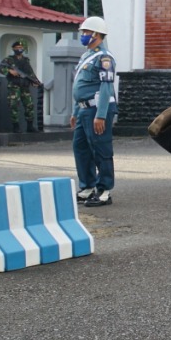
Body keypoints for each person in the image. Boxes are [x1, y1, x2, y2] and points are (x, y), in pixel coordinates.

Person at [71, 17, 116, 207]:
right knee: (81, 148)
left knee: (100, 148)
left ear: (96, 34)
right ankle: (87, 187)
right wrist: (75, 111)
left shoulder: (104, 58)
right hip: (84, 109)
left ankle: (104, 190)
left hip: (97, 109)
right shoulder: (86, 56)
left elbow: (106, 87)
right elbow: (80, 86)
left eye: (86, 32)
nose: (83, 35)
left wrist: (101, 115)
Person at [0, 39, 41, 133]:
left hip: (25, 86)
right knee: (14, 106)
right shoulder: (9, 60)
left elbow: (30, 73)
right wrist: (9, 71)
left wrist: (35, 81)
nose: (19, 49)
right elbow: (0, 68)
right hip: (14, 86)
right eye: (17, 47)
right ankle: (16, 127)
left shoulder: (26, 60)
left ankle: (30, 126)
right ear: (13, 49)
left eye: (20, 47)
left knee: (29, 105)